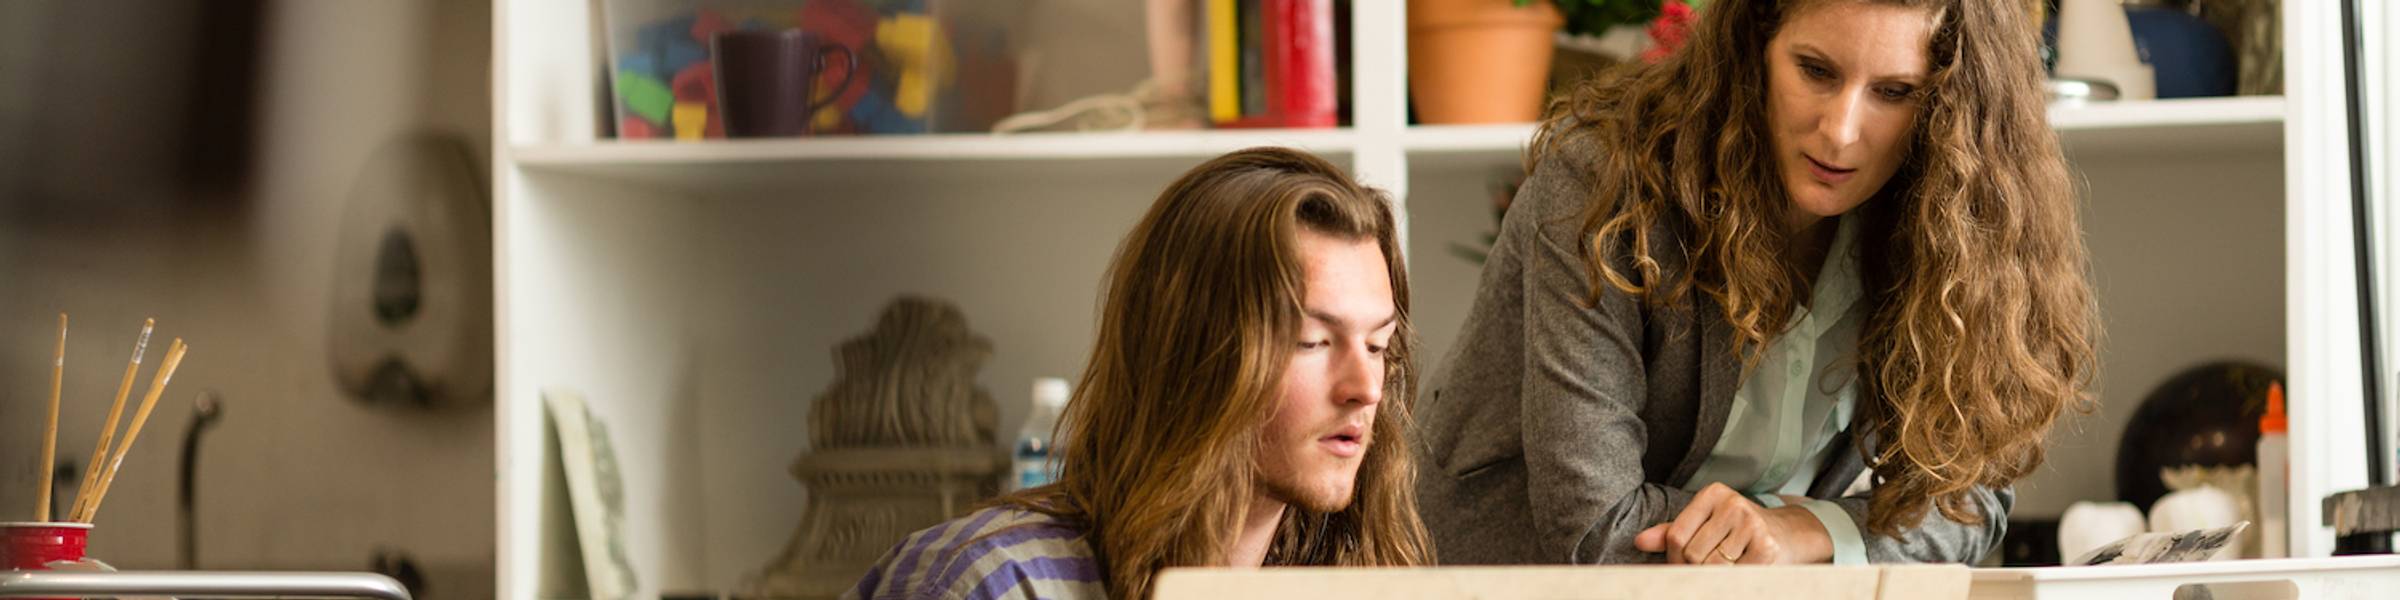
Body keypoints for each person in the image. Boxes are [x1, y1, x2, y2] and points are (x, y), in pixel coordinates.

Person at [1415, 0, 2096, 566]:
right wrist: (1780, 536)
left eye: (1895, 92)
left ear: (1949, 105)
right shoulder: (1604, 182)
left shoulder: (1942, 222)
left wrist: (1805, 530)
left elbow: (1969, 499)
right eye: (1816, 71)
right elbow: (1598, 527)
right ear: (1755, 45)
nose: (1840, 132)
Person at [847, 147, 1432, 599]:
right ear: (1194, 356)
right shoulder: (989, 583)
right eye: (1313, 342)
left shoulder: (1339, 584)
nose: (1365, 388)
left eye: (1378, 346)